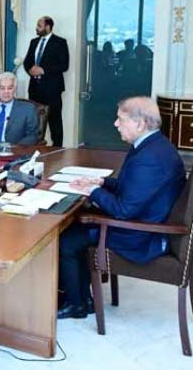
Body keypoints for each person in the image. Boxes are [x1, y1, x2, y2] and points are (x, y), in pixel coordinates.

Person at [57, 97, 185, 319]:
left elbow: (123, 210)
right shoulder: (154, 145)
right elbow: (134, 188)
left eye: (121, 119)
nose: (115, 124)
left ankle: (76, 304)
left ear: (140, 124)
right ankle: (82, 298)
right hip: (145, 218)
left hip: (140, 234)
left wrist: (92, 191)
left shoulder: (149, 157)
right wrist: (101, 183)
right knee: (76, 224)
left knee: (66, 240)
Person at [23, 16, 69, 147]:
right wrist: (30, 70)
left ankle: (58, 149)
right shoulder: (34, 42)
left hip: (52, 90)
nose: (36, 28)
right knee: (34, 122)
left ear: (48, 27)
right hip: (34, 89)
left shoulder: (60, 42)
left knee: (55, 122)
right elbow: (27, 62)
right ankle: (34, 148)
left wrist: (43, 70)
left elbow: (64, 65)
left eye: (39, 25)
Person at [0, 72, 40, 145]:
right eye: (2, 88)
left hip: (11, 149)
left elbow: (33, 135)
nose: (6, 92)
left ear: (15, 89)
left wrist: (15, 148)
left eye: (10, 88)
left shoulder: (28, 109)